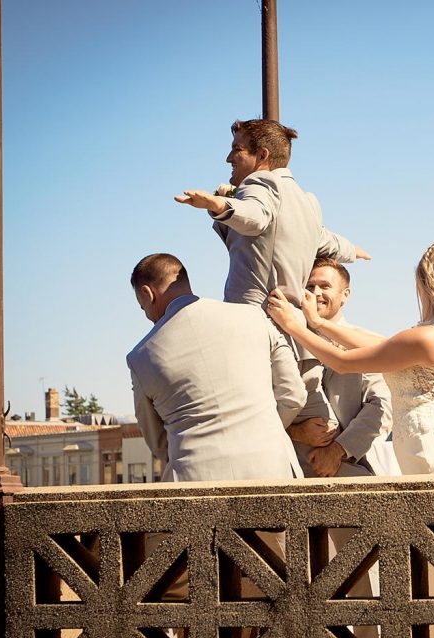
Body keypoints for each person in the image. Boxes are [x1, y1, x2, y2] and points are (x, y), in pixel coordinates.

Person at [267, 241, 434, 480]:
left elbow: (342, 361)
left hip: (431, 448)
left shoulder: (426, 337)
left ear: (426, 282)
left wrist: (292, 326)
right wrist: (318, 325)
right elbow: (379, 344)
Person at [126, 253, 303, 481]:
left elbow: (157, 441)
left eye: (143, 308)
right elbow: (294, 394)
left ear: (147, 293)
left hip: (194, 481)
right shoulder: (253, 316)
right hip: (272, 467)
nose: (148, 317)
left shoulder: (140, 357)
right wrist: (263, 431)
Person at [174, 118, 369, 307]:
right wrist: (353, 250)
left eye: (237, 149)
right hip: (288, 324)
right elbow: (324, 239)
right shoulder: (308, 201)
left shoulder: (260, 181)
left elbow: (256, 216)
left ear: (262, 156)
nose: (229, 158)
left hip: (252, 319)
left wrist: (219, 204)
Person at [287, 258, 396, 479]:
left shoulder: (363, 342)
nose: (316, 292)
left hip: (351, 468)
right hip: (291, 470)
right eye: (310, 286)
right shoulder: (287, 341)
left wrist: (337, 451)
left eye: (325, 286)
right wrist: (296, 433)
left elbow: (381, 407)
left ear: (345, 295)